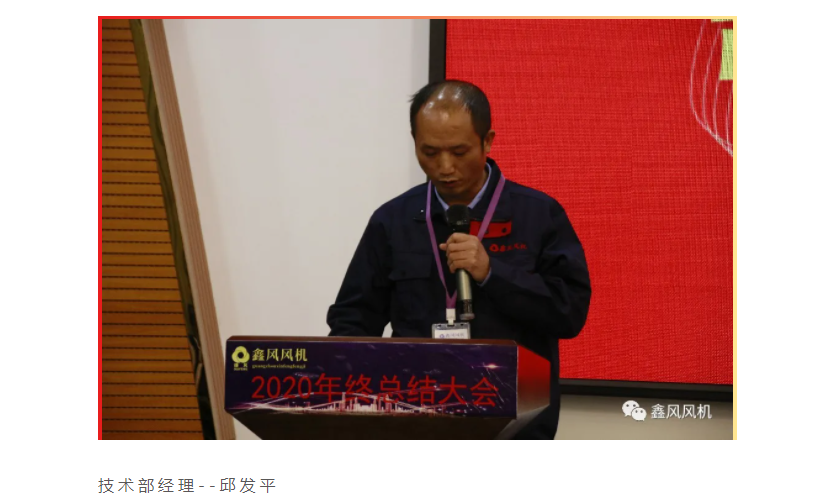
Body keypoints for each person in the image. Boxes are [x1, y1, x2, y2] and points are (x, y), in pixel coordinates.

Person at [327, 80, 591, 439]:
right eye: (429, 152)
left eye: (459, 151)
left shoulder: (539, 214)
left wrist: (492, 273)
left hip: (515, 425)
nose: (444, 167)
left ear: (487, 141)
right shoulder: (392, 220)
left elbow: (569, 312)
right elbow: (354, 320)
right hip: (414, 424)